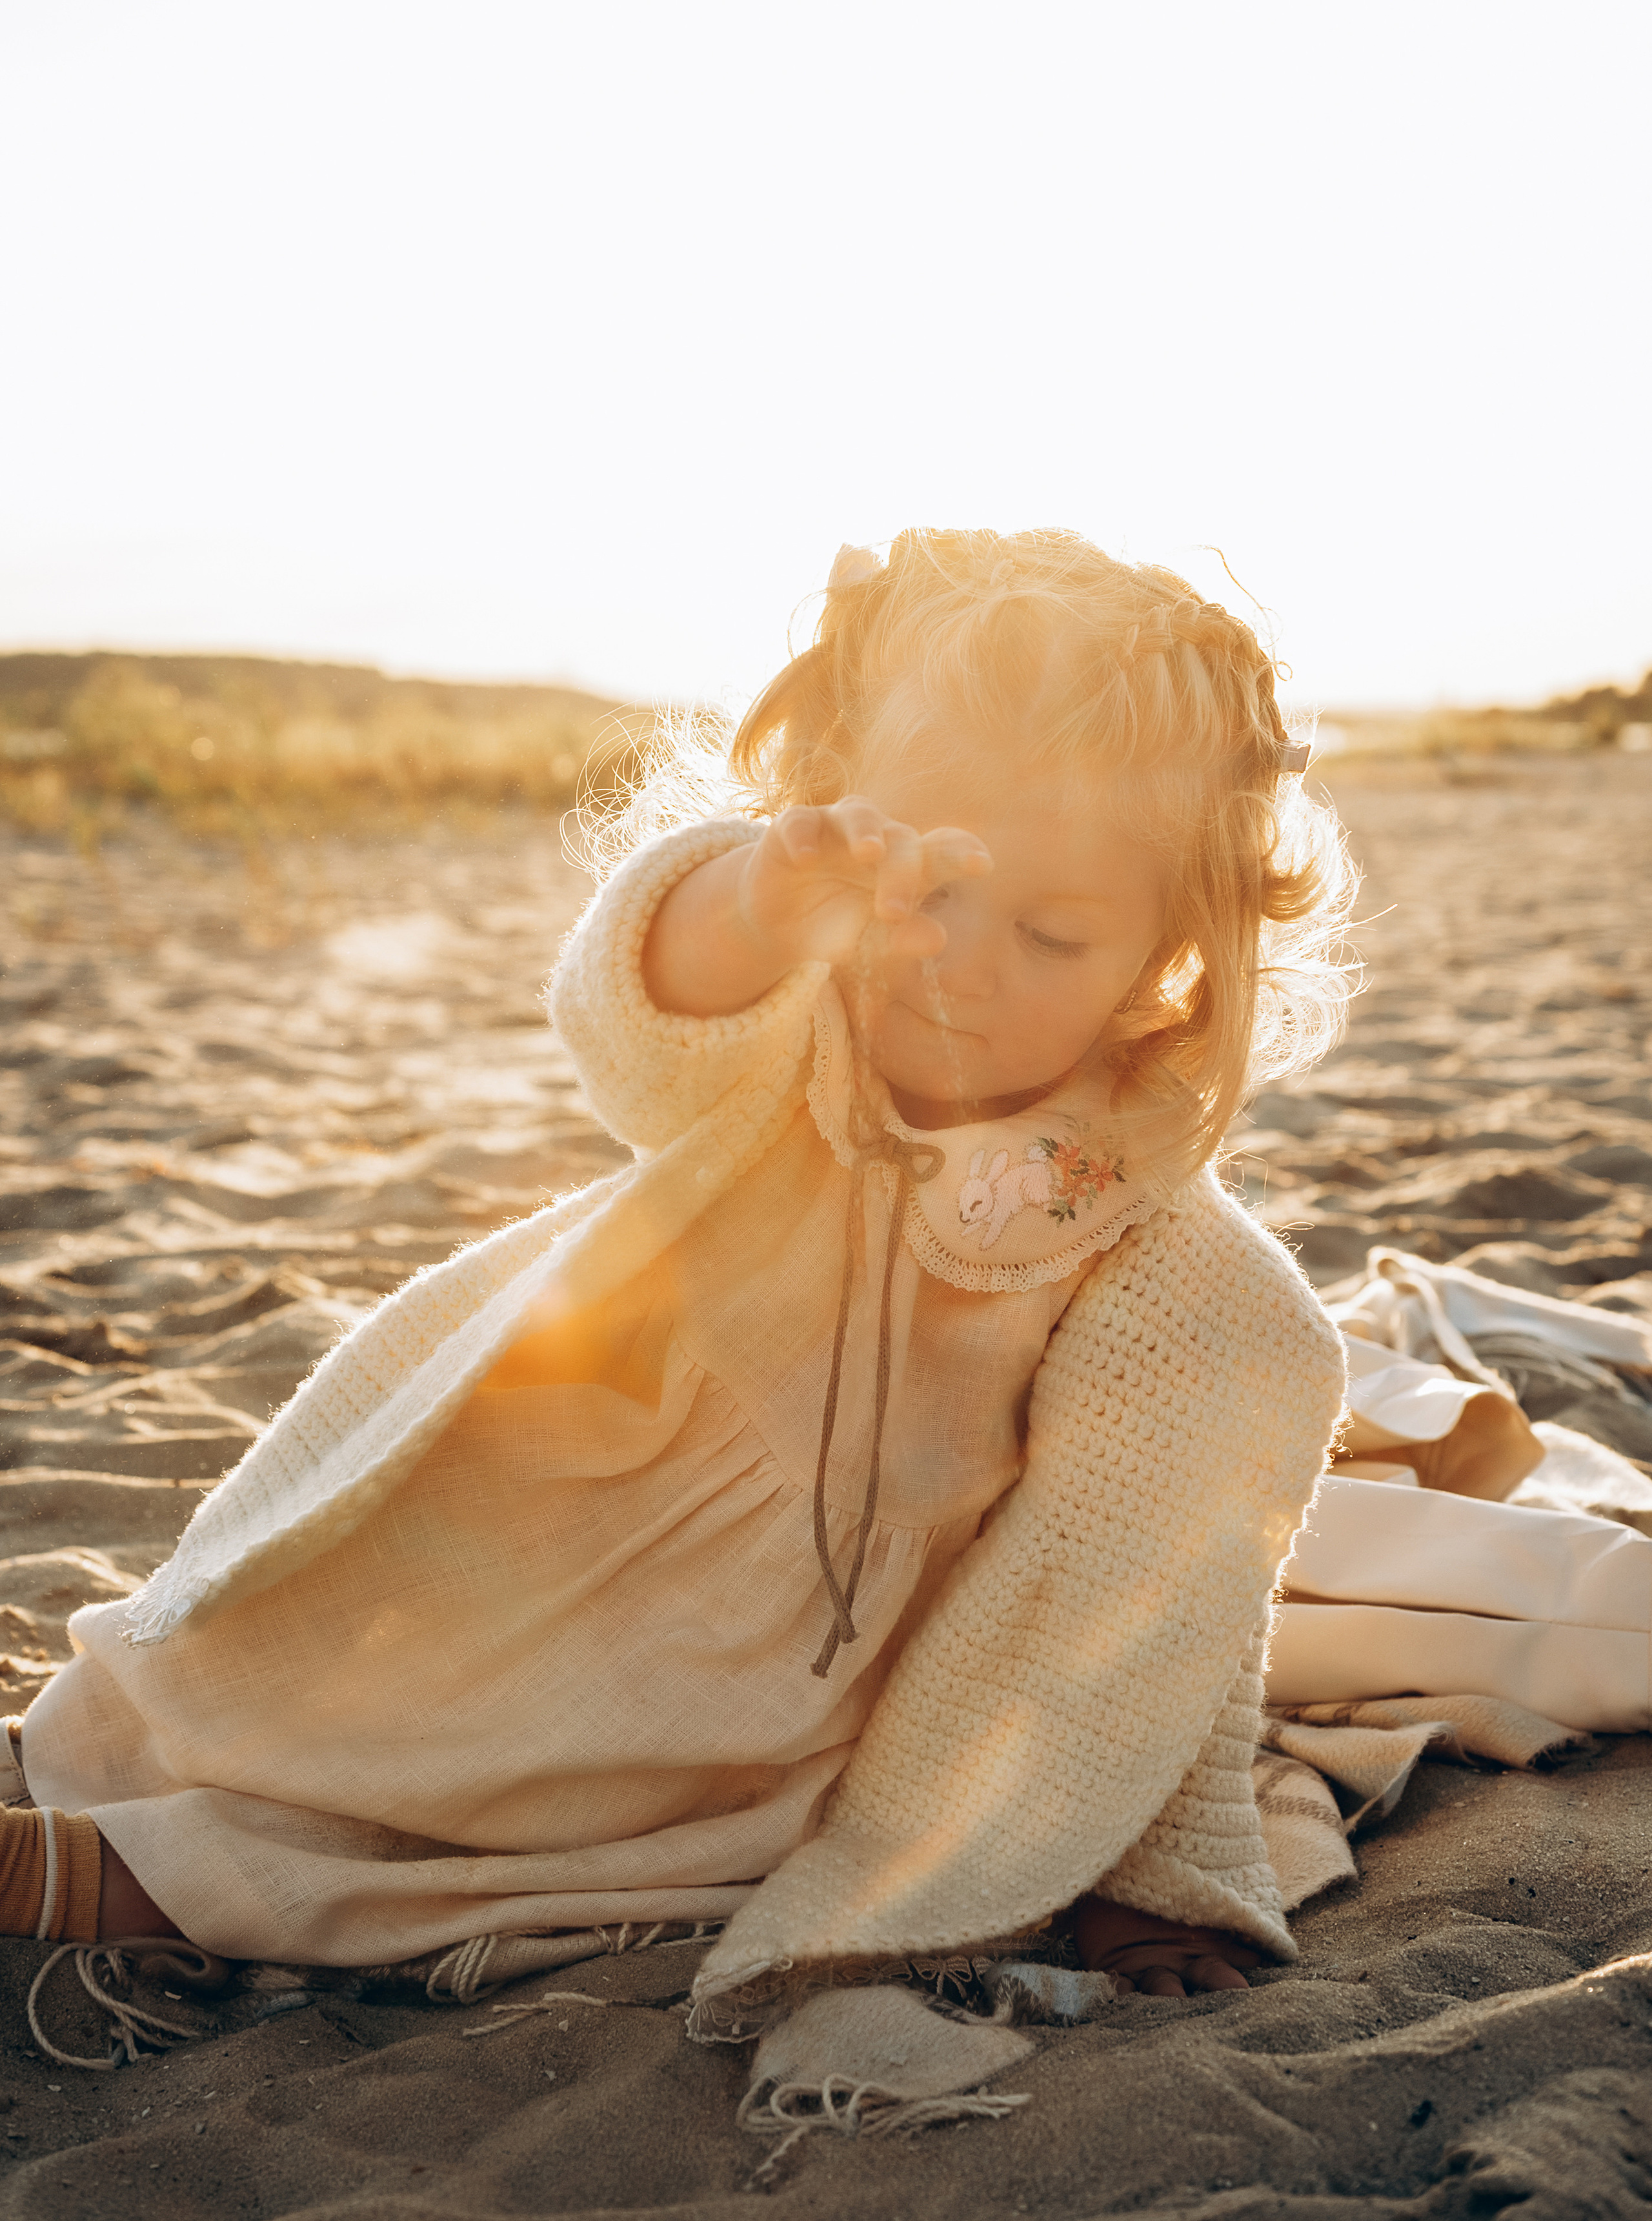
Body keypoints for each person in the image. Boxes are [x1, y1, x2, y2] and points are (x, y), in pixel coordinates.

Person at [1, 528, 1355, 2009]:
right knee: (311, 1697)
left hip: (799, 1685)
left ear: (1172, 962)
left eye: (1048, 932)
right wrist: (760, 907)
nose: (958, 962)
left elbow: (1154, 1581)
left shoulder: (1157, 1252)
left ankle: (125, 1884)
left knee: (580, 1860)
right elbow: (636, 1019)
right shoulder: (797, 1052)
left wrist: (1145, 1882)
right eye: (924, 890)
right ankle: (109, 1801)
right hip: (553, 1516)